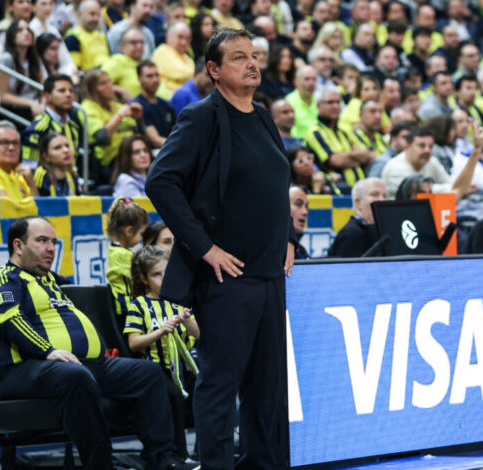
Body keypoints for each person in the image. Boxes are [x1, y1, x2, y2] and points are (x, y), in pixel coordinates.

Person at [145, 28, 295, 469]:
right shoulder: (200, 117)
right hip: (227, 278)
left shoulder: (263, 116)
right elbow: (160, 181)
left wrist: (288, 236)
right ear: (213, 69)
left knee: (268, 389)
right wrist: (205, 247)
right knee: (220, 385)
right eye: (239, 57)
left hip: (270, 275)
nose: (252, 64)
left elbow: (274, 186)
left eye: (254, 56)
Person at [0, 216, 195, 470]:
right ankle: (101, 465)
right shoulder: (1, 279)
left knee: (148, 373)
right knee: (74, 375)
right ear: (18, 245)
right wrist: (48, 351)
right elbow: (13, 322)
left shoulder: (49, 281)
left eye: (54, 242)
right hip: (20, 369)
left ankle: (164, 459)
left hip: (78, 365)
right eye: (42, 241)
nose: (51, 248)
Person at [125, 245, 200, 462]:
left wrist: (187, 321)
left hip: (187, 367)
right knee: (173, 395)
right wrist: (160, 331)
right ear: (144, 279)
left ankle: (206, 451)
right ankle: (179, 455)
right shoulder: (139, 305)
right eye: (156, 274)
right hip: (157, 370)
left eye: (167, 272)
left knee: (209, 388)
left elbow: (199, 335)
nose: (163, 279)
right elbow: (133, 343)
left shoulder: (181, 301)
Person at [304, 85, 374, 193]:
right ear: (318, 105)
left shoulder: (344, 132)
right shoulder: (315, 132)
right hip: (335, 192)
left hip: (359, 190)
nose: (336, 106)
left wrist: (345, 156)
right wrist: (356, 156)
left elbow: (368, 155)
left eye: (338, 102)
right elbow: (335, 161)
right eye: (330, 102)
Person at [81, 68, 142, 173]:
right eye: (102, 83)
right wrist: (119, 116)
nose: (109, 86)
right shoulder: (87, 108)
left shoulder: (116, 105)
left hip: (134, 155)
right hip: (110, 162)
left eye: (109, 81)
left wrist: (138, 119)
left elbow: (138, 133)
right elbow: (101, 137)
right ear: (91, 89)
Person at [22, 74, 85, 169]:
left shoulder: (74, 126)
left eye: (71, 91)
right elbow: (30, 167)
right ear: (46, 96)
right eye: (62, 90)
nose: (68, 94)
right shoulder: (39, 128)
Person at [105, 196, 149, 329]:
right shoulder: (123, 255)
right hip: (126, 307)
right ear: (129, 231)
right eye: (141, 234)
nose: (141, 238)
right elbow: (140, 279)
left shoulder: (116, 250)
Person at [0, 19, 47, 121]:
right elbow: (2, 96)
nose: (26, 33)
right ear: (11, 36)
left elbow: (42, 87)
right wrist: (31, 103)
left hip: (35, 106)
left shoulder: (34, 57)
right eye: (20, 30)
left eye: (28, 29)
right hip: (15, 109)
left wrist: (43, 104)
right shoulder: (6, 59)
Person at [327, 177, 386, 257]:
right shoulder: (351, 233)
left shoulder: (382, 230)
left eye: (384, 196)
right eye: (374, 194)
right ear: (358, 202)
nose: (382, 199)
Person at [133, 60, 176, 148]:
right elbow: (155, 140)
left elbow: (176, 132)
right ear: (139, 79)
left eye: (157, 75)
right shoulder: (137, 106)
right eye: (149, 76)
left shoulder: (167, 105)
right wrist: (178, 145)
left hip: (170, 147)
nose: (155, 79)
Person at [64, 0, 111, 71]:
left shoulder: (102, 36)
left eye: (98, 15)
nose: (95, 18)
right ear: (80, 14)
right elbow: (75, 69)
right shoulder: (72, 37)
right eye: (92, 14)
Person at [153, 22, 195, 96]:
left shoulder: (188, 58)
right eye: (180, 37)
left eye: (187, 39)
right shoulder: (162, 51)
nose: (183, 42)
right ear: (168, 37)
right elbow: (178, 73)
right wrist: (191, 73)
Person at [34, 132, 80, 196]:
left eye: (67, 146)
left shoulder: (72, 174)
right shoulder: (41, 175)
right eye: (57, 148)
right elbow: (36, 201)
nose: (66, 150)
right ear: (46, 156)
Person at [289, 185, 311, 259]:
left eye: (306, 206)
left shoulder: (302, 251)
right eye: (298, 204)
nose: (305, 212)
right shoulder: (274, 251)